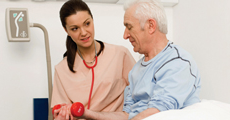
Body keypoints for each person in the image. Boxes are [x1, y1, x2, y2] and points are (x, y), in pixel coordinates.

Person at [71, 0, 202, 119]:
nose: (125, 35)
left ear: (151, 26)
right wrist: (87, 114)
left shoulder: (178, 62)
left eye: (129, 27)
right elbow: (127, 115)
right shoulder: (137, 69)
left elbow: (159, 113)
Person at [51, 0, 136, 119]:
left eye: (87, 24)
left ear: (92, 20)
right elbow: (61, 113)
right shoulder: (61, 70)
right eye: (75, 29)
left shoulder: (120, 55)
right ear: (67, 31)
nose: (84, 33)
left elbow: (142, 92)